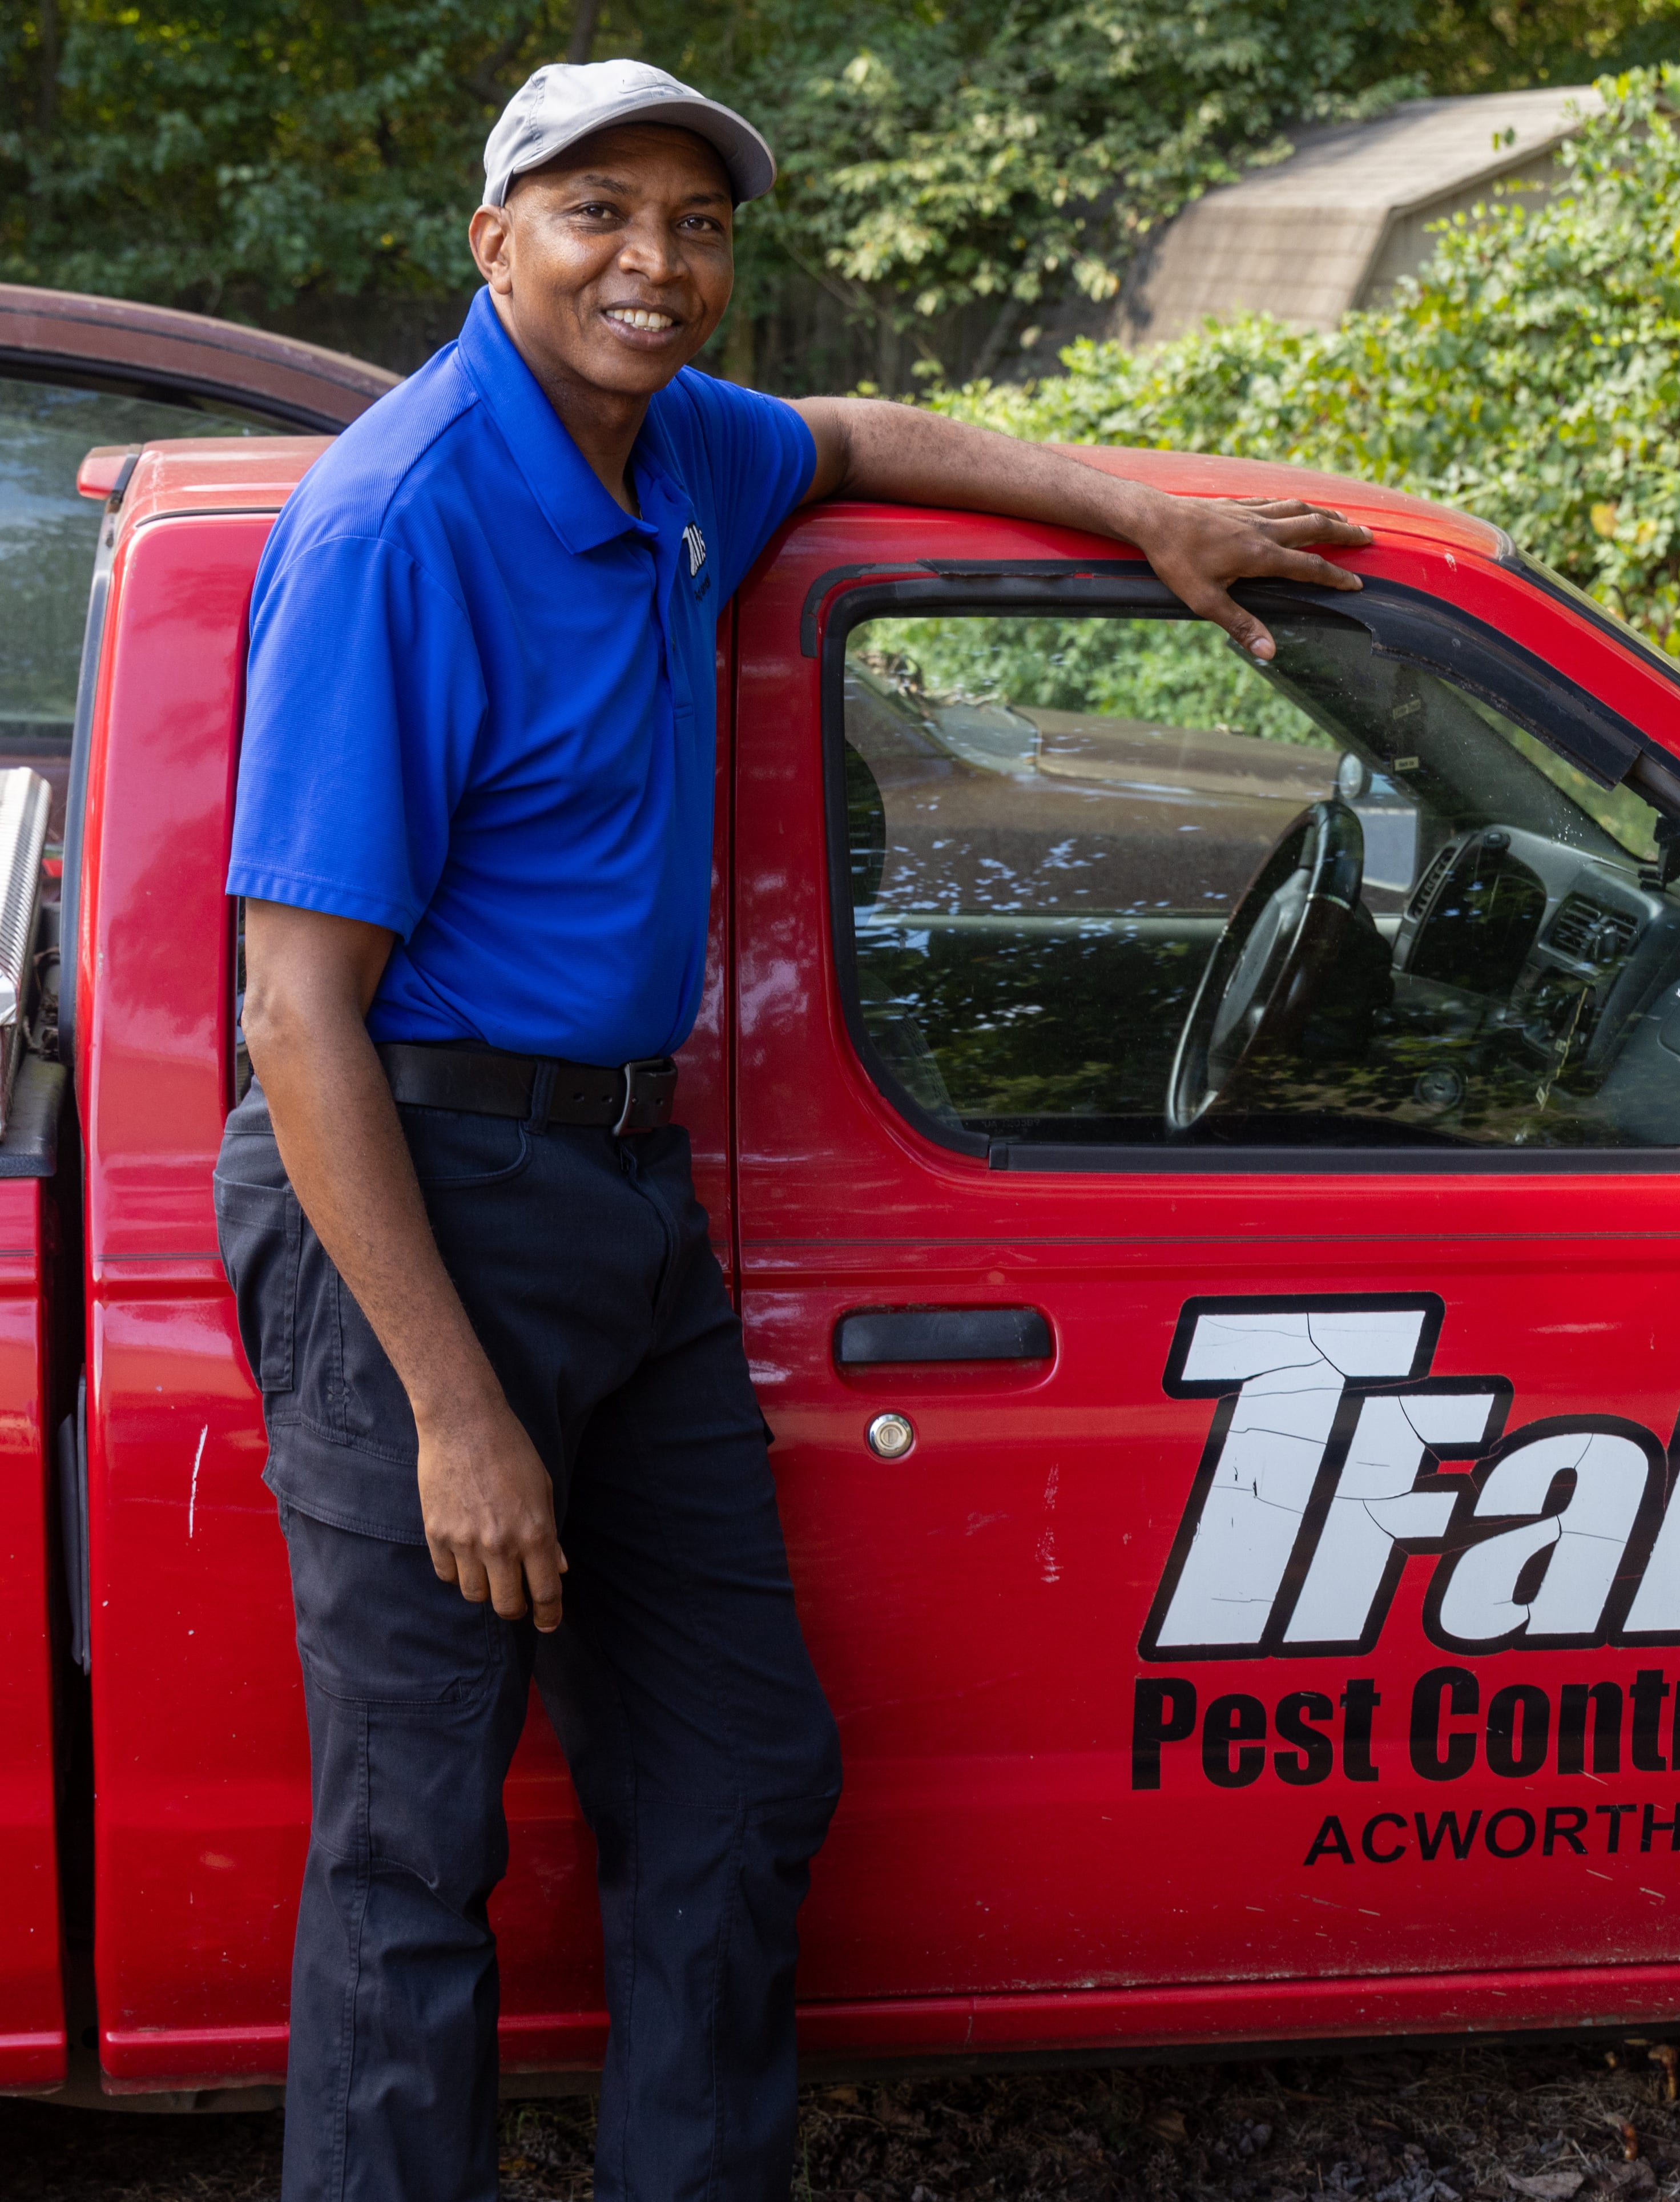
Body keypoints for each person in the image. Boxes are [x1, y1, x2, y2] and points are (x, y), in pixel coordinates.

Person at [215, 54, 1373, 2202]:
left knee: (742, 1777)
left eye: (700, 221)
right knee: (415, 1843)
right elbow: (296, 1011)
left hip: (618, 1195)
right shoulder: (398, 522)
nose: (657, 262)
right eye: (598, 213)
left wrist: (1138, 512)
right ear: (494, 240)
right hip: (410, 1189)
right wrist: (452, 1409)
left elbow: (858, 436)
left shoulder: (670, 456)